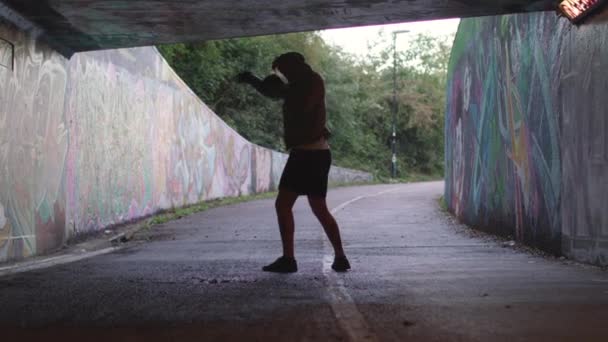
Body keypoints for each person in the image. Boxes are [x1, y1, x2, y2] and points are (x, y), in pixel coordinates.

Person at [237, 52, 351, 273]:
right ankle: (339, 256)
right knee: (316, 208)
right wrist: (254, 81)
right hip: (312, 153)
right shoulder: (301, 84)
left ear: (294, 66)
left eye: (284, 70)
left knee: (287, 205)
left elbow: (301, 105)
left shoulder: (311, 82)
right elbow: (278, 94)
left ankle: (290, 259)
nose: (284, 75)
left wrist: (271, 87)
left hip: (308, 154)